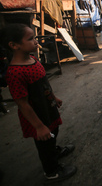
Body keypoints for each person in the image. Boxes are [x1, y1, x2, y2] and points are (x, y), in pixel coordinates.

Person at [1, 23, 76, 183]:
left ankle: (54, 151)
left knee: (53, 131)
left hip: (48, 107)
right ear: (14, 45)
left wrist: (54, 97)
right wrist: (38, 126)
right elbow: (22, 104)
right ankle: (52, 171)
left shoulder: (33, 60)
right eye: (30, 39)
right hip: (37, 116)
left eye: (34, 37)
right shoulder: (15, 72)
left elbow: (44, 84)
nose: (36, 42)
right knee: (44, 142)